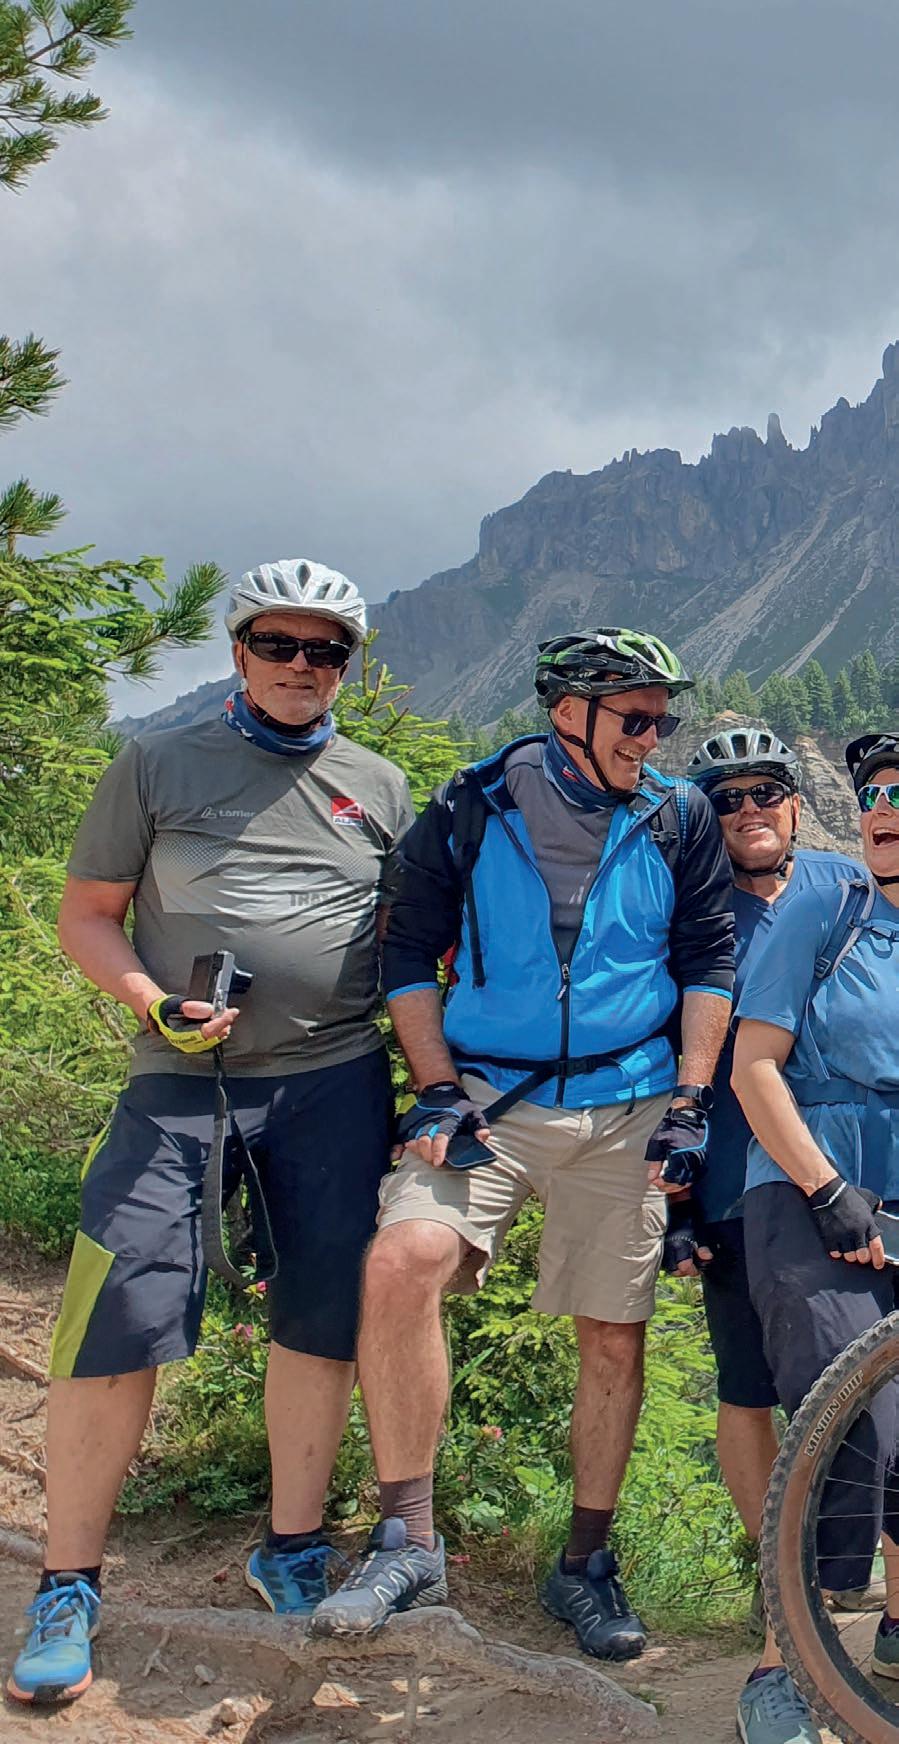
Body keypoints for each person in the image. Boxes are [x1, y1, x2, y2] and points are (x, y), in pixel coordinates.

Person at [7, 558, 415, 1706]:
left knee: (320, 1314)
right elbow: (88, 915)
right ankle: (69, 1580)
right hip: (177, 1079)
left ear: (345, 666)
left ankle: (290, 1548)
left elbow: (403, 939)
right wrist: (151, 1003)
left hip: (335, 1078)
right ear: (239, 652)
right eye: (278, 644)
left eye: (324, 650)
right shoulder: (157, 763)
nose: (301, 665)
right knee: (116, 1308)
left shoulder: (379, 785)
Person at [311, 627, 735, 1658]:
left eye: (661, 719)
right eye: (635, 718)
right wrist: (434, 1089)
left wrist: (689, 1098)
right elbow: (407, 954)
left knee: (613, 1332)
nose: (652, 738)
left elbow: (706, 960)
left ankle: (583, 1564)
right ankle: (407, 1539)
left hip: (627, 1100)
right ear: (567, 713)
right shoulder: (470, 802)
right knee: (401, 1261)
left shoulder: (676, 814)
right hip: (487, 1099)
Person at [683, 727, 863, 1744]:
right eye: (725, 797)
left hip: (847, 1174)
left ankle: (885, 1615)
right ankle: (777, 1626)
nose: (746, 808)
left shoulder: (846, 887)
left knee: (871, 1390)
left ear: (795, 803)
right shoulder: (689, 907)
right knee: (750, 1388)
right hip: (730, 1183)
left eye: (764, 791)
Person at [732, 731, 899, 1744]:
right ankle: (780, 1666)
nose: (882, 809)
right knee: (845, 1416)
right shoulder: (824, 910)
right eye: (872, 795)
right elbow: (753, 1064)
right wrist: (827, 1187)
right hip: (808, 1181)